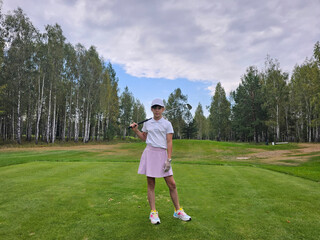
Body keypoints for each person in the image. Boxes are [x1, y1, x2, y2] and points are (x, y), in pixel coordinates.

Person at [130, 98, 191, 225]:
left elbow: (169, 142)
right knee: (151, 184)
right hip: (150, 153)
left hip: (162, 155)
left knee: (172, 184)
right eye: (154, 108)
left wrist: (169, 159)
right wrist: (136, 130)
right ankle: (153, 212)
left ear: (163, 109)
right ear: (151, 109)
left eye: (159, 108)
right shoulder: (147, 123)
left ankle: (178, 210)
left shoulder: (167, 124)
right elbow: (144, 137)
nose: (157, 110)